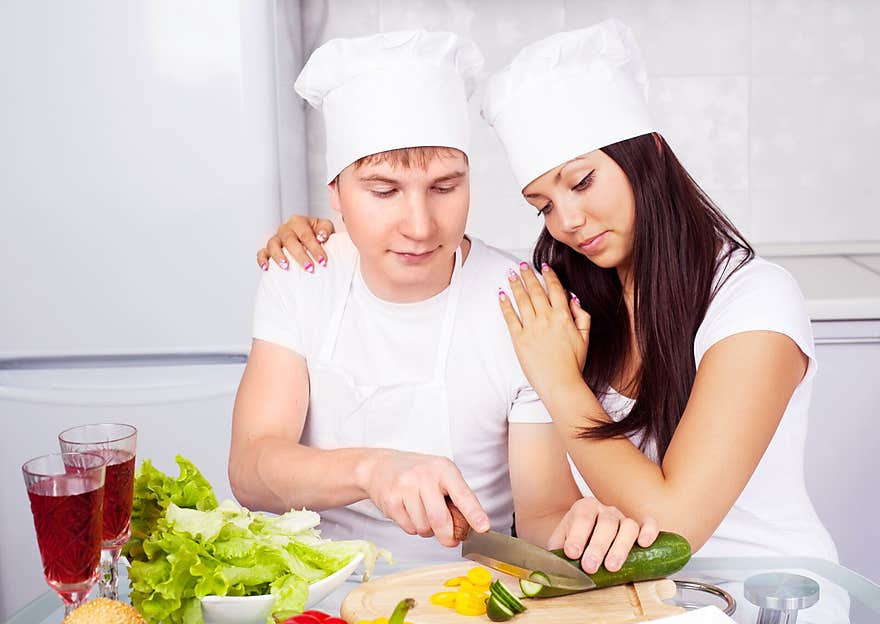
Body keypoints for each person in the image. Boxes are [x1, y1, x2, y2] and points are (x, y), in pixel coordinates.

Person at [257, 20, 839, 569]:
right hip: (638, 599)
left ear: (653, 153)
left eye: (583, 181)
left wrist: (558, 380)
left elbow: (676, 523)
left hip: (766, 598)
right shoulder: (571, 295)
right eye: (543, 205)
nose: (570, 221)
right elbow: (547, 512)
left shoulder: (754, 302)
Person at [229, 28, 657, 569]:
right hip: (314, 598)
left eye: (445, 187)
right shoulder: (302, 273)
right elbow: (250, 469)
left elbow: (543, 512)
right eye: (384, 191)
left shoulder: (525, 304)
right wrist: (371, 470)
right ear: (335, 193)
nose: (420, 225)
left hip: (463, 598)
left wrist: (586, 528)